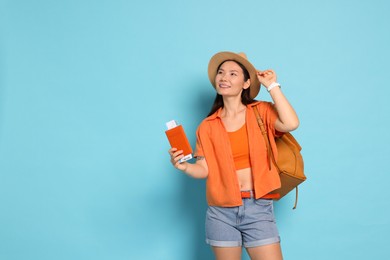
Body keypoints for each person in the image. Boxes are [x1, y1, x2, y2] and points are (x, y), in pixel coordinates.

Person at [168, 51, 299, 260]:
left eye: (232, 74)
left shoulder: (261, 112)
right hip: (220, 212)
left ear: (246, 83)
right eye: (221, 73)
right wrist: (184, 166)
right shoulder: (207, 126)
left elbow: (291, 123)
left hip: (258, 207)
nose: (224, 78)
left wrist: (272, 86)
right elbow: (204, 169)